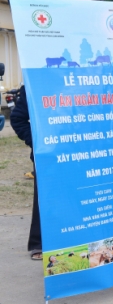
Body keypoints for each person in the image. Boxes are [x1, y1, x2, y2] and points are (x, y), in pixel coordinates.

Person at [10, 85, 42, 260]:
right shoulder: (34, 83)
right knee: (43, 199)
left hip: (83, 153)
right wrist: (38, 143)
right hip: (48, 155)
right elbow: (18, 119)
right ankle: (39, 244)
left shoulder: (85, 84)